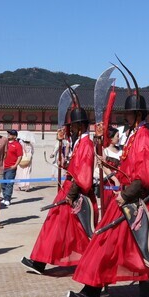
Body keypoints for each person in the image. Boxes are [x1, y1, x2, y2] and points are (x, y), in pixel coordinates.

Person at [68, 68, 149, 297]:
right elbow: (130, 169)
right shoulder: (134, 135)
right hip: (126, 199)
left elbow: (144, 174)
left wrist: (126, 195)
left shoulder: (143, 136)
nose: (125, 117)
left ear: (137, 114)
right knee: (111, 244)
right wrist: (109, 165)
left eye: (128, 113)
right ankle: (91, 293)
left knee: (134, 247)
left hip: (133, 201)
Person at [21, 102, 96, 274]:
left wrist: (71, 194)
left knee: (69, 229)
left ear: (80, 126)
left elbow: (83, 174)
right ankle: (40, 261)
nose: (71, 129)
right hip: (70, 188)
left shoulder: (86, 144)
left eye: (73, 126)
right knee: (61, 227)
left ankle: (91, 260)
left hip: (74, 191)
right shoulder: (79, 143)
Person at [1, 129, 23, 207]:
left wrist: (15, 165)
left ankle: (7, 199)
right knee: (2, 183)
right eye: (8, 134)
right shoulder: (5, 143)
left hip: (11, 167)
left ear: (14, 136)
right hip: (3, 166)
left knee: (9, 184)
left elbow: (20, 156)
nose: (8, 135)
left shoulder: (17, 145)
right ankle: (4, 197)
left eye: (10, 134)